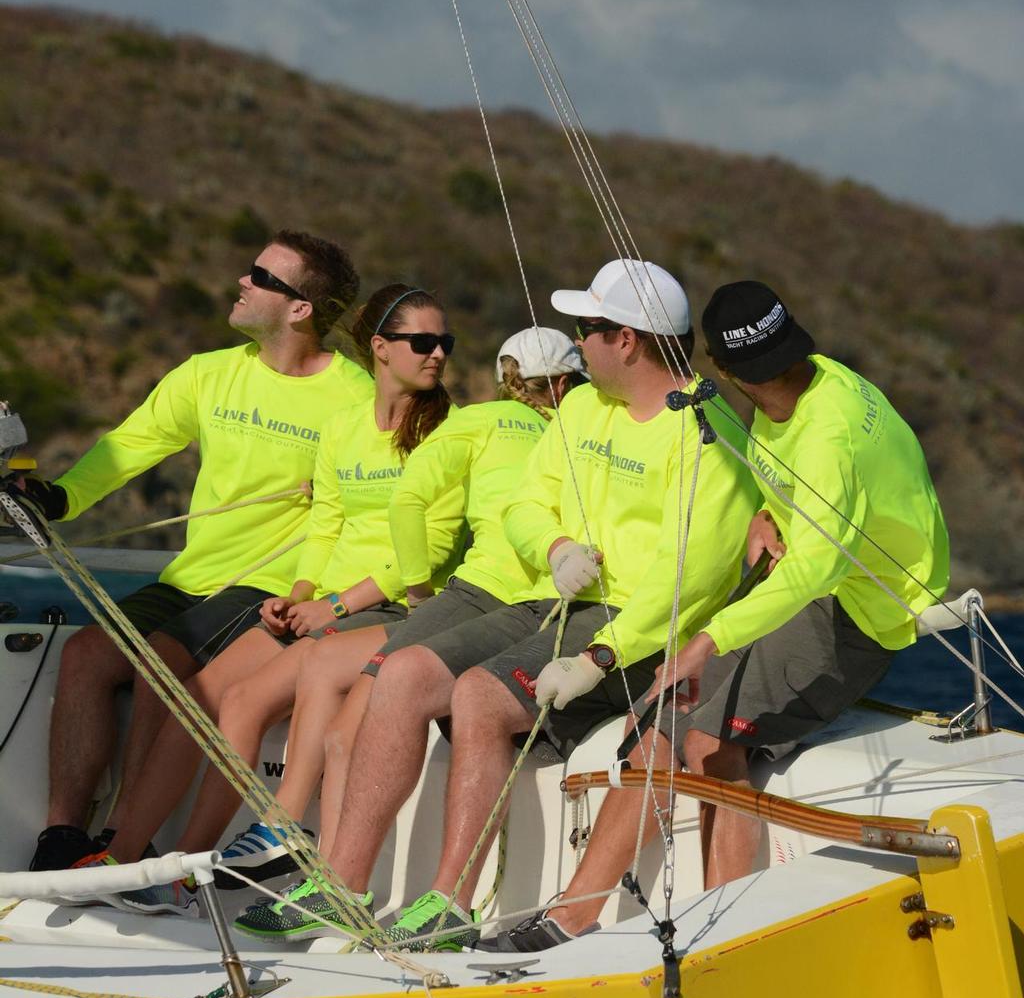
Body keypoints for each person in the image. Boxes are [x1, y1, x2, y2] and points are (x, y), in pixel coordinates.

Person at [254, 259, 756, 951]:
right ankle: (341, 889)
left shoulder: (705, 430)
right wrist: (553, 547)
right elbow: (527, 500)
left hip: (642, 627)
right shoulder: (581, 407)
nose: (576, 343)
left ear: (629, 341)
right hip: (557, 596)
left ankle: (449, 905)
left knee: (479, 698)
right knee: (399, 674)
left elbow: (688, 583)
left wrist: (598, 659)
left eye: (587, 329)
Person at [484, 280, 950, 946]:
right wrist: (770, 510)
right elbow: (800, 493)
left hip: (860, 607)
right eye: (766, 371)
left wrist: (707, 641)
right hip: (806, 581)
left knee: (695, 738)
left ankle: (663, 922)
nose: (774, 381)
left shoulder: (828, 436)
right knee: (667, 724)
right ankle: (645, 912)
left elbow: (817, 566)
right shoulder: (808, 381)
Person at [89, 285, 463, 909]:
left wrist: (336, 607)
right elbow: (327, 524)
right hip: (327, 602)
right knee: (201, 696)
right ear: (381, 349)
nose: (437, 355)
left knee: (243, 698)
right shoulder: (345, 427)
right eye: (423, 343)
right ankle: (128, 858)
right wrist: (298, 595)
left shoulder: (448, 433)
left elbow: (434, 549)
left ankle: (193, 872)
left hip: (389, 605)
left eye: (444, 344)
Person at [25, 232, 370, 872]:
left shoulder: (354, 397)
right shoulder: (209, 374)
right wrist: (59, 498)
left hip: (269, 582)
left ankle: (126, 843)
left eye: (262, 277)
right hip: (192, 577)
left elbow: (377, 498)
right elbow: (131, 447)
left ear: (301, 309)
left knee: (160, 660)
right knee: (85, 656)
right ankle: (63, 835)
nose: (243, 281)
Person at [234, 326, 588, 939]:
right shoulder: (586, 426)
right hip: (546, 601)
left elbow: (408, 501)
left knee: (352, 726)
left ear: (506, 376)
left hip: (474, 592)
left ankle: (334, 885)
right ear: (566, 382)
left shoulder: (479, 422)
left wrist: (419, 589)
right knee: (361, 714)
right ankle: (335, 886)